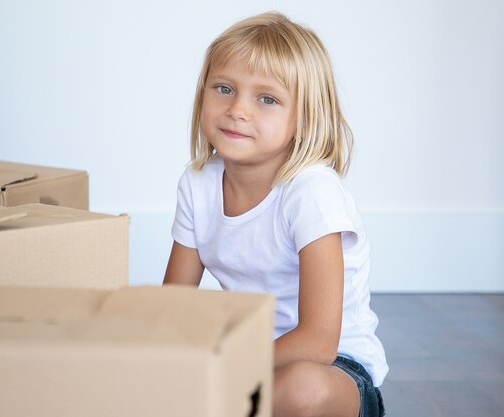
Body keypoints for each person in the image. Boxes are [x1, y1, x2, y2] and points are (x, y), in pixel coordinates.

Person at [164, 11, 387, 417]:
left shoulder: (311, 192)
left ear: (303, 117)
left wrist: (221, 364)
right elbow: (172, 306)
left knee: (298, 389)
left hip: (335, 368)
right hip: (247, 356)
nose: (237, 109)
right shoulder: (197, 184)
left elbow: (319, 341)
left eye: (266, 99)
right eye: (224, 88)